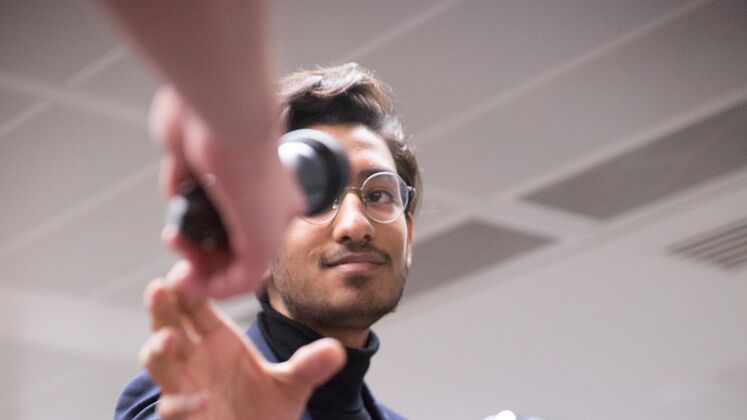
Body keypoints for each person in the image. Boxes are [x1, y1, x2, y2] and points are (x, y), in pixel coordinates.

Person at [114, 63, 422, 419]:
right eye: (319, 195)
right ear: (256, 236)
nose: (355, 224)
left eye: (379, 195)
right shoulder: (191, 397)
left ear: (409, 234)